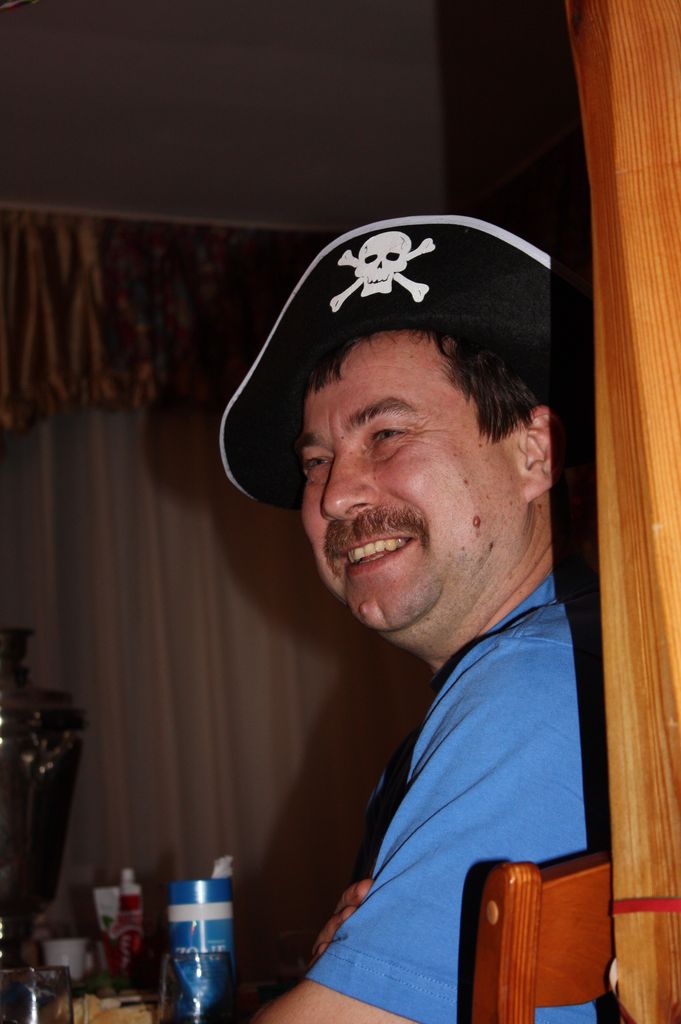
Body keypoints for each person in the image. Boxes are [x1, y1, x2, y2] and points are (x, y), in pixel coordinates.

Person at [220, 216, 609, 1024]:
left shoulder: (536, 684)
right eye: (315, 461)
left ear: (534, 453)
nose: (335, 495)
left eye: (387, 434)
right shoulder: (554, 671)